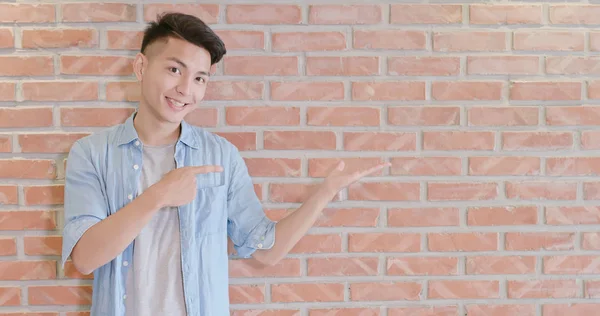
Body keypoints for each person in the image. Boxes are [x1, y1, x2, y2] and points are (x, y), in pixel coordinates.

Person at [61, 12, 389, 316]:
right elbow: (86, 259)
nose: (186, 89)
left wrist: (324, 193)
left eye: (200, 79)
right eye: (174, 70)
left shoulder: (221, 157)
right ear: (141, 67)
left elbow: (265, 250)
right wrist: (158, 195)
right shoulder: (91, 153)